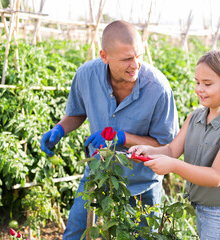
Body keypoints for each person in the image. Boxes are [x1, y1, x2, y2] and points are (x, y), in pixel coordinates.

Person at [40, 20, 179, 239]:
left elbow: (167, 146)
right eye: (126, 59)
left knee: (144, 236)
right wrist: (59, 129)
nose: (135, 65)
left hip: (141, 183)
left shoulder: (158, 88)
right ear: (104, 56)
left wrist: (121, 137)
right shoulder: (86, 75)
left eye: (138, 56)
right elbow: (77, 113)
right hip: (98, 173)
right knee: (75, 233)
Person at [129, 49, 220, 240]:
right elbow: (171, 150)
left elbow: (216, 177)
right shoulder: (196, 116)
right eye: (197, 82)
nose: (199, 89)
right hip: (202, 206)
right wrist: (149, 151)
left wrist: (173, 166)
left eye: (207, 84)